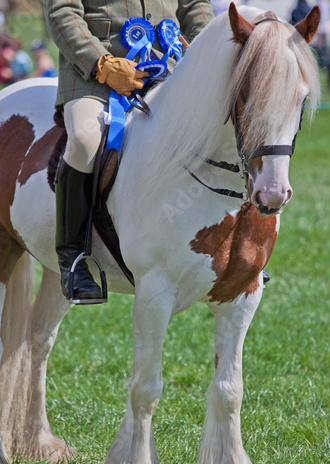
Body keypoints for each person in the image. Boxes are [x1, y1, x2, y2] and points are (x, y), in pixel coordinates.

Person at [42, 0, 214, 303]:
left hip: (169, 68)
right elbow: (62, 12)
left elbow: (195, 5)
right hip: (92, 75)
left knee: (222, 130)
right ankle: (73, 258)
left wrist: (210, 53)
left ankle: (235, 250)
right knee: (85, 139)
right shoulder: (96, 66)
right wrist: (102, 64)